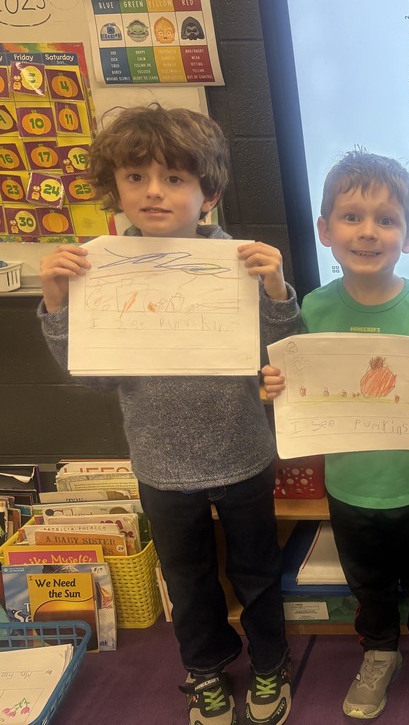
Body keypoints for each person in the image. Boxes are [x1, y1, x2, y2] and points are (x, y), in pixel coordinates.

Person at [37, 105, 300, 725]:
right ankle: (205, 668)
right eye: (136, 177)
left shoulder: (240, 260)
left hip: (243, 453)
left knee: (258, 572)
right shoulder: (98, 267)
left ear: (209, 194)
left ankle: (270, 662)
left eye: (175, 178)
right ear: (116, 187)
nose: (154, 191)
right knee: (186, 581)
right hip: (160, 463)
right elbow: (95, 379)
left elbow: (280, 358)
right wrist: (55, 300)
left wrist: (277, 291)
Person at [260, 151, 409, 720]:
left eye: (386, 219)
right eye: (352, 217)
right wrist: (276, 382)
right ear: (325, 230)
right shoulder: (314, 309)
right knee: (367, 583)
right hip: (350, 487)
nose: (369, 231)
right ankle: (379, 653)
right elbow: (296, 380)